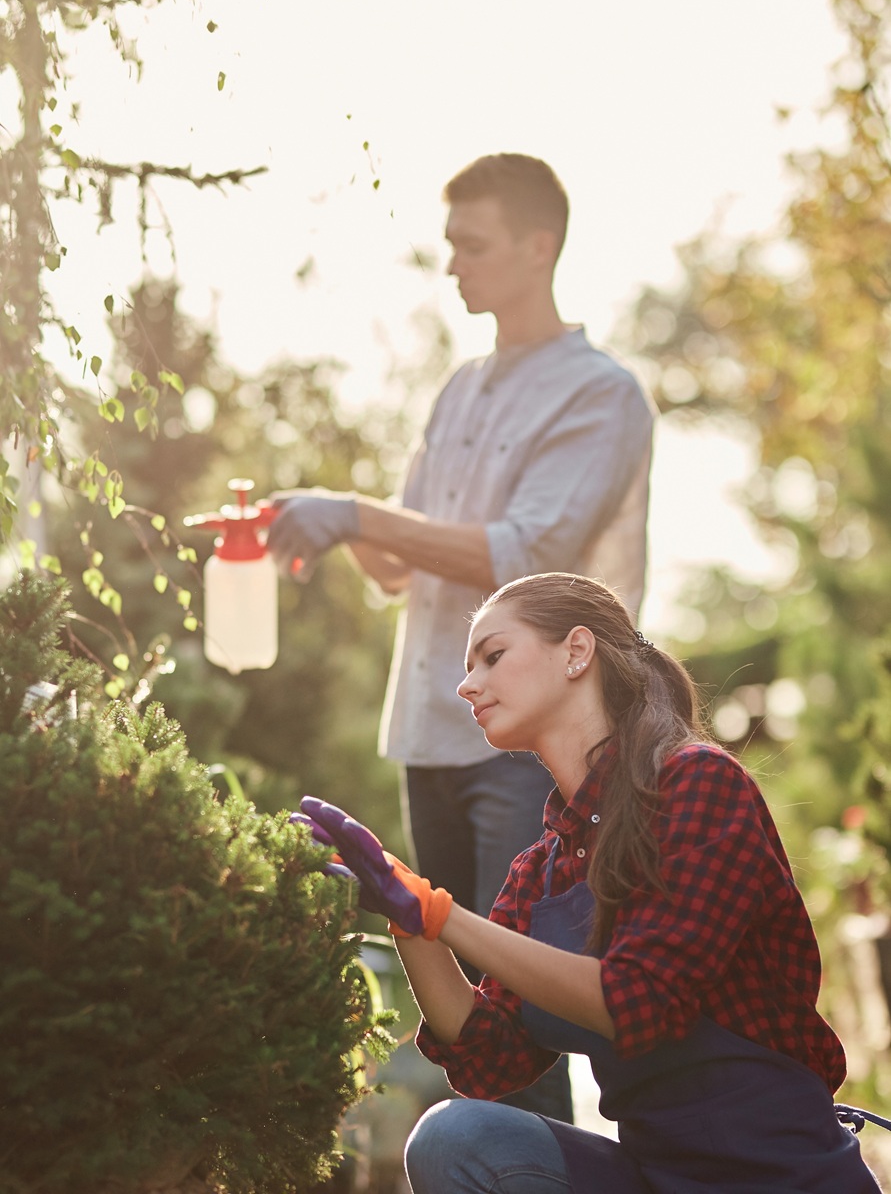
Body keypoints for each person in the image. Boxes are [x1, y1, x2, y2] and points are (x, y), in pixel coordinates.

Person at [269, 153, 655, 1121]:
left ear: (539, 245)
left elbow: (527, 555)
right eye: (449, 247)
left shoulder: (600, 396)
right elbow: (402, 566)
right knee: (466, 1019)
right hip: (432, 737)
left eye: (471, 246)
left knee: (523, 1011)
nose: (453, 268)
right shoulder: (457, 393)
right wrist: (311, 526)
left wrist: (352, 513)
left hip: (531, 751)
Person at [295, 572, 885, 1194]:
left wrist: (441, 915)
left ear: (577, 652)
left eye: (493, 656)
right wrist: (410, 920)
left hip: (780, 1178)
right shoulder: (543, 867)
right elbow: (490, 1055)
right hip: (654, 1174)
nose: (468, 685)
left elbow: (638, 1000)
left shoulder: (697, 784)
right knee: (455, 1139)